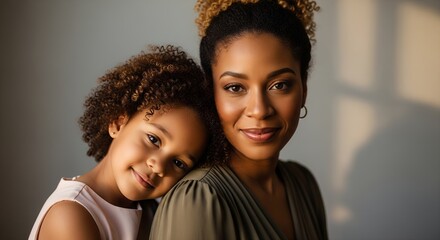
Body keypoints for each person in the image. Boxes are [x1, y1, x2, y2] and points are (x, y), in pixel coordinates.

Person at [150, 0, 328, 239]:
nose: (259, 110)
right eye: (235, 87)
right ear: (210, 91)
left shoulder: (303, 184)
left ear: (304, 89)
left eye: (279, 85)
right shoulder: (197, 200)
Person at [29, 45, 216, 239]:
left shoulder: (151, 210)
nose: (158, 166)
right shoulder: (71, 214)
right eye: (154, 139)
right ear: (118, 123)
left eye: (179, 163)